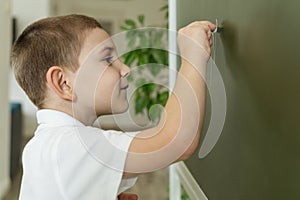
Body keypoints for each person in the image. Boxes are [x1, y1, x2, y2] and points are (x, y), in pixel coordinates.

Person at [11, 14, 215, 200]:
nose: (126, 69)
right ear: (63, 83)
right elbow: (175, 141)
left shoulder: (41, 147)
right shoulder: (70, 145)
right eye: (108, 59)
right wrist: (192, 56)